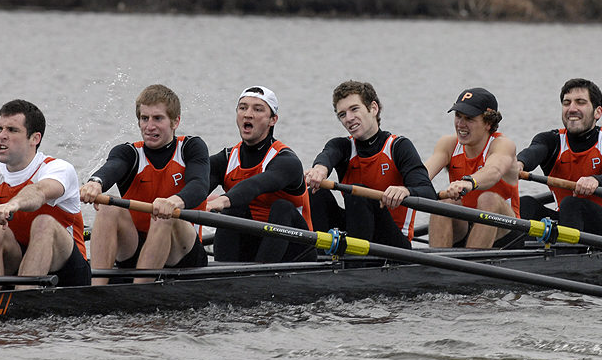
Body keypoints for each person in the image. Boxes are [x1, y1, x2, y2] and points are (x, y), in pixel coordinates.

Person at [80, 85, 210, 285]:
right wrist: (95, 183)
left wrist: (174, 201)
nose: (149, 126)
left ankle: (139, 292)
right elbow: (112, 167)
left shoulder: (191, 147)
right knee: (107, 207)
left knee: (164, 213)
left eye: (158, 118)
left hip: (182, 252)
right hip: (137, 247)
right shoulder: (128, 152)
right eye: (144, 118)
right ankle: (96, 292)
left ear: (176, 121)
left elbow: (199, 185)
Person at [0, 100, 90, 287]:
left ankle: (21, 297)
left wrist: (13, 204)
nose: (2, 136)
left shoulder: (58, 168)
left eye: (12, 130)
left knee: (44, 223)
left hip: (67, 268)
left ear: (35, 138)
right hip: (18, 260)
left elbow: (39, 191)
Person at [305, 81, 436, 249]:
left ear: (373, 108)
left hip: (393, 242)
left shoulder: (398, 147)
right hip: (358, 230)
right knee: (316, 194)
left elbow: (429, 193)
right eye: (342, 114)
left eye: (354, 109)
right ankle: (321, 259)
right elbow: (327, 156)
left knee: (359, 193)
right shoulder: (342, 146)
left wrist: (405, 190)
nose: (349, 118)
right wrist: (319, 171)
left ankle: (354, 264)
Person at [208, 87, 315, 263]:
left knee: (282, 207)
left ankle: (257, 278)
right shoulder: (226, 159)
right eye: (243, 108)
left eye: (257, 109)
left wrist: (222, 200)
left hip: (295, 251)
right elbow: (195, 185)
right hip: (252, 247)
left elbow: (255, 185)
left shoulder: (287, 161)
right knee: (233, 209)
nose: (248, 114)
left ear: (273, 120)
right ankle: (222, 272)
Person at [517, 78, 602, 239]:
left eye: (580, 102)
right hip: (568, 221)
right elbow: (533, 152)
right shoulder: (550, 140)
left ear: (598, 112)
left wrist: (595, 180)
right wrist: (519, 164)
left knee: (571, 203)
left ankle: (565, 257)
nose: (572, 109)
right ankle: (517, 255)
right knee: (525, 203)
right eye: (566, 103)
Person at [423, 88, 520, 248]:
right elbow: (422, 175)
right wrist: (402, 188)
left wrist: (469, 182)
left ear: (488, 123)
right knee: (444, 202)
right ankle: (436, 268)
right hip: (466, 226)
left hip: (506, 231)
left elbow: (494, 170)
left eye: (469, 118)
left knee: (488, 199)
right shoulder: (448, 144)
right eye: (458, 116)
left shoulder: (502, 145)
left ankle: (468, 266)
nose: (460, 124)